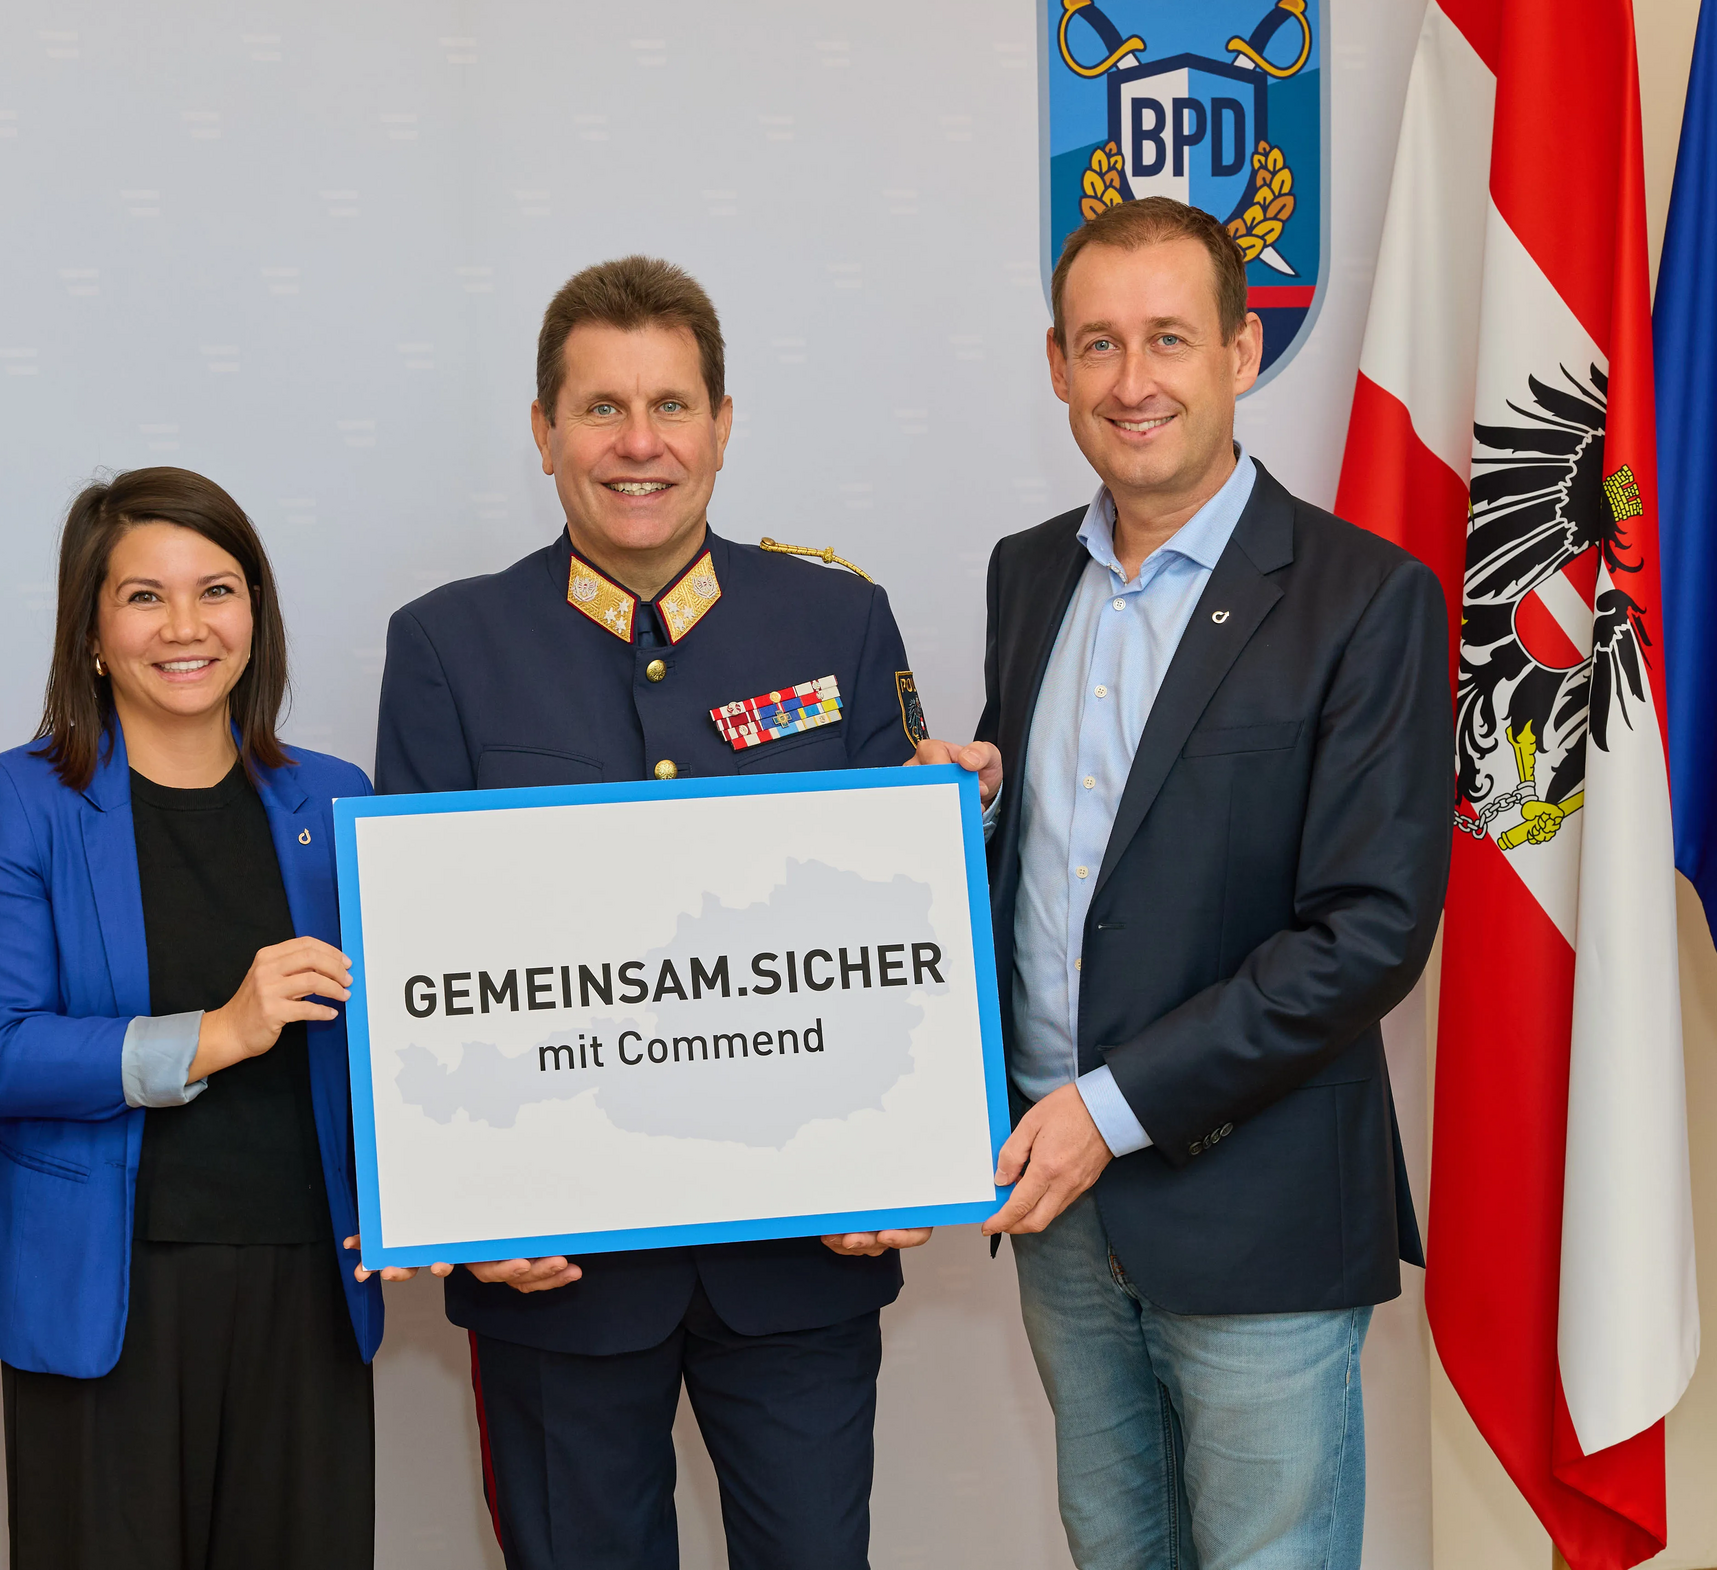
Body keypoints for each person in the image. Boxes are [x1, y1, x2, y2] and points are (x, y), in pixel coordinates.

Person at [912, 194, 1451, 1568]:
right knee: (1114, 1549)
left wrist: (1110, 1106)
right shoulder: (1026, 573)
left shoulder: (1361, 595)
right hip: (1056, 1206)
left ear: (1241, 349)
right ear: (1054, 365)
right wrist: (959, 824)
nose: (1130, 379)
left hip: (1253, 1211)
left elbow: (1370, 927)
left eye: (1166, 337)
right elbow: (1076, 861)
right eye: (1097, 343)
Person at [375, 255, 926, 1569]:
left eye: (672, 406)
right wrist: (469, 1197)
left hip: (800, 1255)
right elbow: (422, 956)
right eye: (602, 408)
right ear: (544, 432)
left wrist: (900, 1161)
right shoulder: (452, 645)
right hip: (558, 1276)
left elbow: (895, 940)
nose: (639, 443)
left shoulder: (837, 621)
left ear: (723, 427)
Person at [0, 467, 390, 1570]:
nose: (186, 625)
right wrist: (217, 1030)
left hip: (310, 1284)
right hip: (108, 1291)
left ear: (257, 614)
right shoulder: (22, 797)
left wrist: (422, 1197)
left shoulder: (338, 799)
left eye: (218, 589)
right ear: (90, 629)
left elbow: (406, 1036)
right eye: (143, 596)